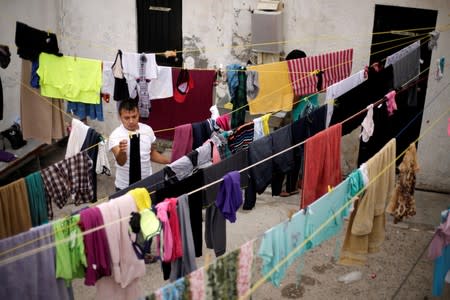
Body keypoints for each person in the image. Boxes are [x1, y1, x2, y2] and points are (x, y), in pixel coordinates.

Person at [109, 99, 170, 191]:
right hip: (124, 186)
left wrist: (170, 160)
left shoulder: (148, 130)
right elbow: (121, 162)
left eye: (134, 116)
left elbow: (151, 153)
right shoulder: (115, 136)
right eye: (126, 118)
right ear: (120, 117)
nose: (131, 121)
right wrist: (122, 151)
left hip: (147, 183)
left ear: (139, 114)